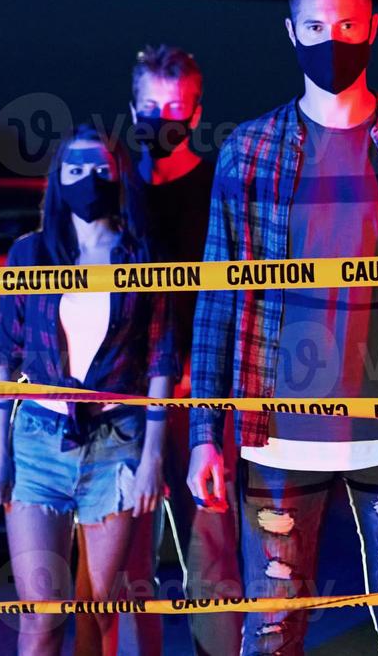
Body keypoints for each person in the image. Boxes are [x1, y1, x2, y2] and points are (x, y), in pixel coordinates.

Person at [187, 0, 378, 656]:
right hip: (279, 433)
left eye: (347, 25)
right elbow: (218, 297)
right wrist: (204, 432)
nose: (332, 42)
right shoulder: (249, 153)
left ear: (373, 28)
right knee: (273, 632)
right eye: (316, 27)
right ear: (291, 33)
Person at [0, 124, 175, 656]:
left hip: (116, 443)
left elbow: (161, 357)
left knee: (98, 613)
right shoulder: (30, 254)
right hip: (38, 443)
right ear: (57, 180)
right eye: (74, 169)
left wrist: (152, 459)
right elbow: (3, 353)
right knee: (41, 619)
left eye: (99, 169)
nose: (87, 180)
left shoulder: (142, 257)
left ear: (117, 177)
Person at [131, 44, 244, 656]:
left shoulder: (219, 188)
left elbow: (237, 296)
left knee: (210, 550)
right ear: (133, 107)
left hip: (200, 399)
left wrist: (209, 386)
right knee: (125, 560)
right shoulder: (117, 191)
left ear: (197, 115)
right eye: (150, 107)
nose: (161, 120)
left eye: (174, 109)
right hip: (123, 397)